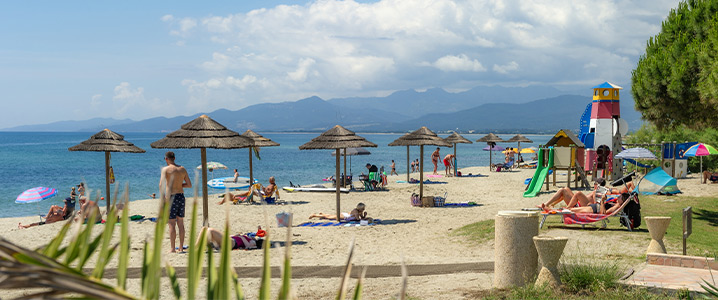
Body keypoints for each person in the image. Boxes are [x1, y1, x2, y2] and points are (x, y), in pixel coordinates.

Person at [160, 151, 192, 253]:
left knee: (171, 223)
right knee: (181, 223)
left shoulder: (166, 169)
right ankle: (181, 247)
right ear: (174, 158)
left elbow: (161, 185)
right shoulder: (182, 169)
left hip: (172, 197)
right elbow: (189, 185)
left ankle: (173, 248)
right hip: (181, 197)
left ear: (166, 159)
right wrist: (179, 185)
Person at [539, 178, 610, 210]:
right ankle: (551, 204)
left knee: (565, 191)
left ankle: (547, 204)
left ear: (597, 185)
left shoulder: (596, 192)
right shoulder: (598, 191)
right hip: (577, 204)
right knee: (566, 189)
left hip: (579, 207)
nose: (594, 184)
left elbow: (595, 205)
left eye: (595, 183)